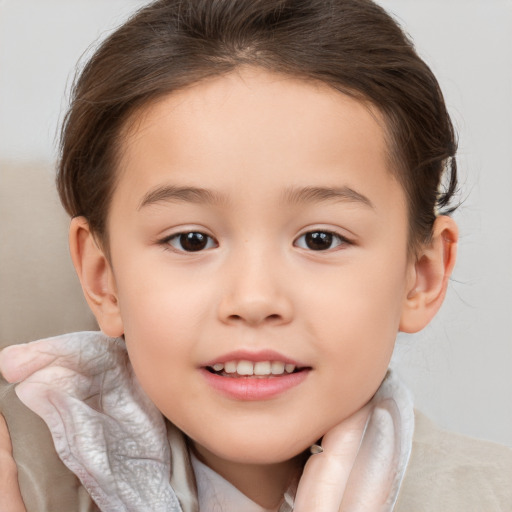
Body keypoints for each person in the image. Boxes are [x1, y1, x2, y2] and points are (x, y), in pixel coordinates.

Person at [0, 0, 511, 510]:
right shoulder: (24, 479)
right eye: (191, 240)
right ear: (102, 276)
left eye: (320, 239)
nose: (253, 298)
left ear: (421, 275)